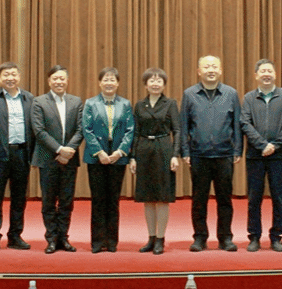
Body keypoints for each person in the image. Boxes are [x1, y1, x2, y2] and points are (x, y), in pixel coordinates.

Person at [181, 55, 242, 252]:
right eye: (206, 67)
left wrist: (237, 149)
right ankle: (200, 237)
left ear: (220, 70)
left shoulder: (231, 94)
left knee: (225, 199)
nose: (211, 70)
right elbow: (184, 125)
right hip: (199, 155)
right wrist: (185, 150)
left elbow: (237, 124)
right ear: (199, 71)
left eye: (214, 66)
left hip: (224, 154)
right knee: (199, 200)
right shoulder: (190, 94)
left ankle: (225, 238)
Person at [240, 59, 282, 252]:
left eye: (269, 71)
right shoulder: (249, 98)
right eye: (262, 71)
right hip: (255, 156)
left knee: (278, 198)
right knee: (254, 198)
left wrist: (274, 145)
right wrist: (262, 145)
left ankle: (276, 237)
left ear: (275, 74)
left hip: (279, 156)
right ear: (256, 75)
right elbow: (245, 123)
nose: (266, 74)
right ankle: (254, 236)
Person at [0, 62, 35, 253]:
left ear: (19, 76)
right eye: (6, 74)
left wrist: (33, 156)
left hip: (22, 154)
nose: (10, 78)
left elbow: (34, 128)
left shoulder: (28, 98)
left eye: (13, 74)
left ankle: (15, 235)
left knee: (19, 198)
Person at [31, 65, 84, 254]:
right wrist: (60, 150)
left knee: (66, 201)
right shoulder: (39, 102)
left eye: (62, 78)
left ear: (67, 80)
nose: (59, 82)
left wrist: (68, 151)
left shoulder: (76, 101)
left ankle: (63, 238)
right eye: (55, 78)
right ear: (49, 81)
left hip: (70, 159)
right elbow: (39, 131)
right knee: (48, 201)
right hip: (47, 158)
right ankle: (51, 239)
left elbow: (81, 129)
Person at [82, 67, 134, 253]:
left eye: (113, 80)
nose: (109, 83)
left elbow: (130, 130)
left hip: (117, 158)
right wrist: (99, 152)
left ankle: (112, 241)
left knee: (113, 200)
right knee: (98, 200)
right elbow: (87, 129)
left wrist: (120, 152)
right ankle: (97, 241)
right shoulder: (90, 103)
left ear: (118, 83)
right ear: (99, 83)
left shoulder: (125, 104)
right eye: (106, 79)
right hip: (96, 158)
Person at [129, 68, 180, 256]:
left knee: (162, 196)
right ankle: (150, 238)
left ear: (164, 84)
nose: (155, 84)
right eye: (152, 80)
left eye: (159, 81)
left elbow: (177, 131)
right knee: (148, 197)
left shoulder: (170, 104)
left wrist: (175, 154)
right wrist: (133, 157)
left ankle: (160, 238)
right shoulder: (139, 105)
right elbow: (135, 132)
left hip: (163, 149)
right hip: (144, 149)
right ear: (145, 84)